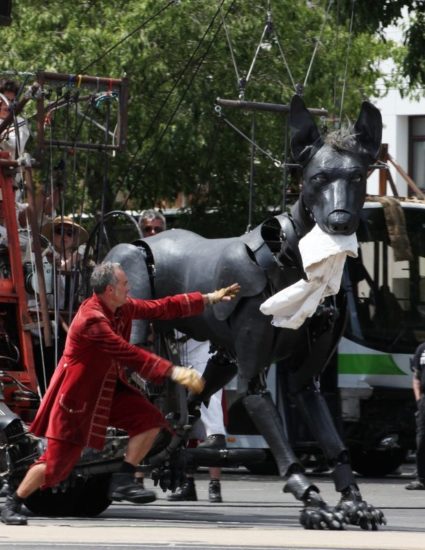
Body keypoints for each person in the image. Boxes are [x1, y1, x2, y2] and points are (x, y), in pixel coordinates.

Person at [1, 261, 239, 525]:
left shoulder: (120, 307)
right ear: (110, 290)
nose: (130, 288)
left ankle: (124, 478)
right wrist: (173, 371)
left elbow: (160, 307)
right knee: (55, 468)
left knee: (150, 421)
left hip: (109, 391)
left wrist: (208, 298)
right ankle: (14, 500)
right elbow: (127, 353)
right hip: (77, 400)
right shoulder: (91, 319)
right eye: (125, 284)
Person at [139, 209, 227, 503]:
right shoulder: (141, 266)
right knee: (175, 415)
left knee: (211, 410)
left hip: (199, 345)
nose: (152, 233)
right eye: (147, 229)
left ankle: (215, 484)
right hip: (169, 348)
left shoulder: (183, 260)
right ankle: (184, 482)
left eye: (156, 228)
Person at [405, 342, 425, 490]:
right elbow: (416, 376)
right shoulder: (422, 349)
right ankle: (421, 478)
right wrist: (419, 400)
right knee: (422, 440)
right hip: (424, 401)